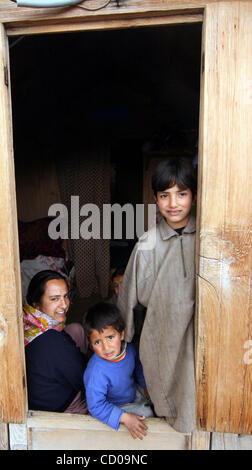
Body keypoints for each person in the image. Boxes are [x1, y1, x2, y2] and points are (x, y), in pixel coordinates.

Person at [117, 157, 197, 433]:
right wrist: (123, 336)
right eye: (165, 195)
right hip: (160, 334)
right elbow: (127, 295)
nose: (173, 203)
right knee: (166, 388)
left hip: (199, 333)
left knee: (195, 387)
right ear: (155, 199)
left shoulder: (208, 238)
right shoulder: (147, 244)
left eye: (182, 194)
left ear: (194, 196)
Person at [83, 302, 154, 440]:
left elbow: (139, 367)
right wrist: (125, 418)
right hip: (115, 406)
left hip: (132, 392)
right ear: (90, 345)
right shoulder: (96, 372)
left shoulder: (130, 350)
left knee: (158, 399)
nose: (106, 347)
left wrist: (146, 386)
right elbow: (95, 406)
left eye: (110, 337)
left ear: (121, 334)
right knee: (147, 416)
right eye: (97, 342)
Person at [23, 269, 88, 414]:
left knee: (76, 330)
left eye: (65, 296)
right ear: (37, 304)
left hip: (40, 385)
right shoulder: (52, 342)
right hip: (58, 406)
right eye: (54, 299)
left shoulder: (28, 320)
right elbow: (82, 379)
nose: (64, 305)